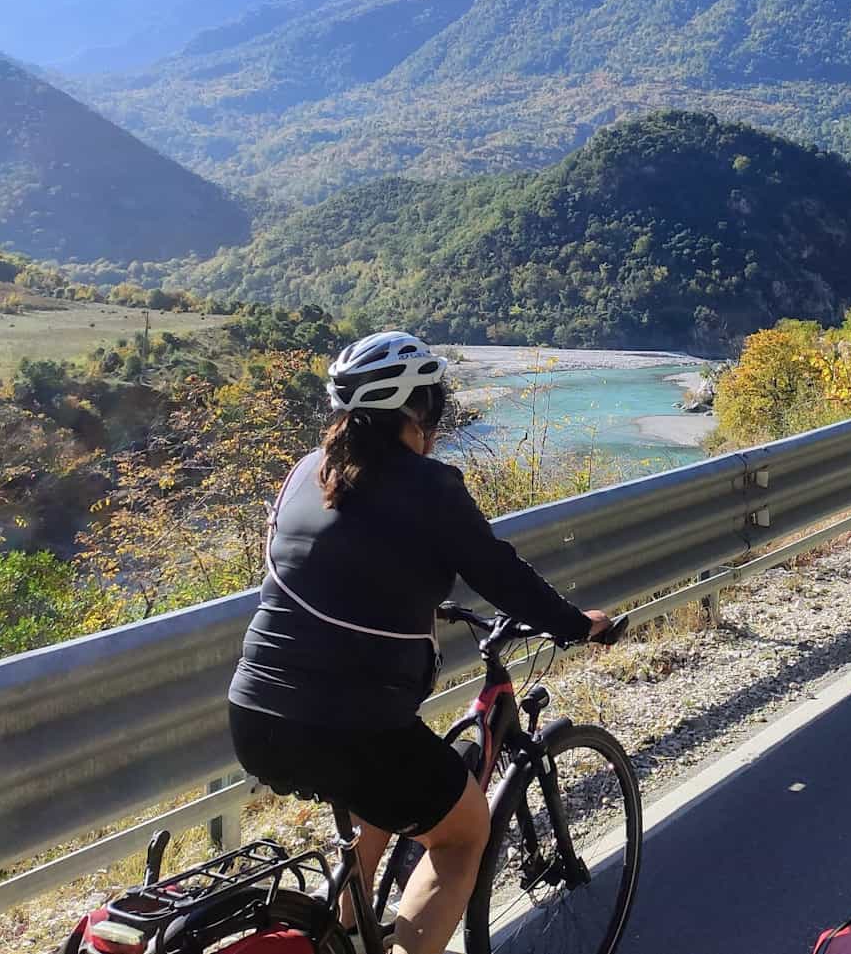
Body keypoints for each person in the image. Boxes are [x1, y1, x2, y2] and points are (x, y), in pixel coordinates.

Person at [227, 332, 612, 954]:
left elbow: (336, 566)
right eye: (434, 403)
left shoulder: (308, 472)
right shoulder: (428, 485)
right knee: (462, 832)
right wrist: (575, 623)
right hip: (349, 725)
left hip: (254, 714)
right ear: (418, 410)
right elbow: (500, 574)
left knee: (382, 791)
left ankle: (343, 930)